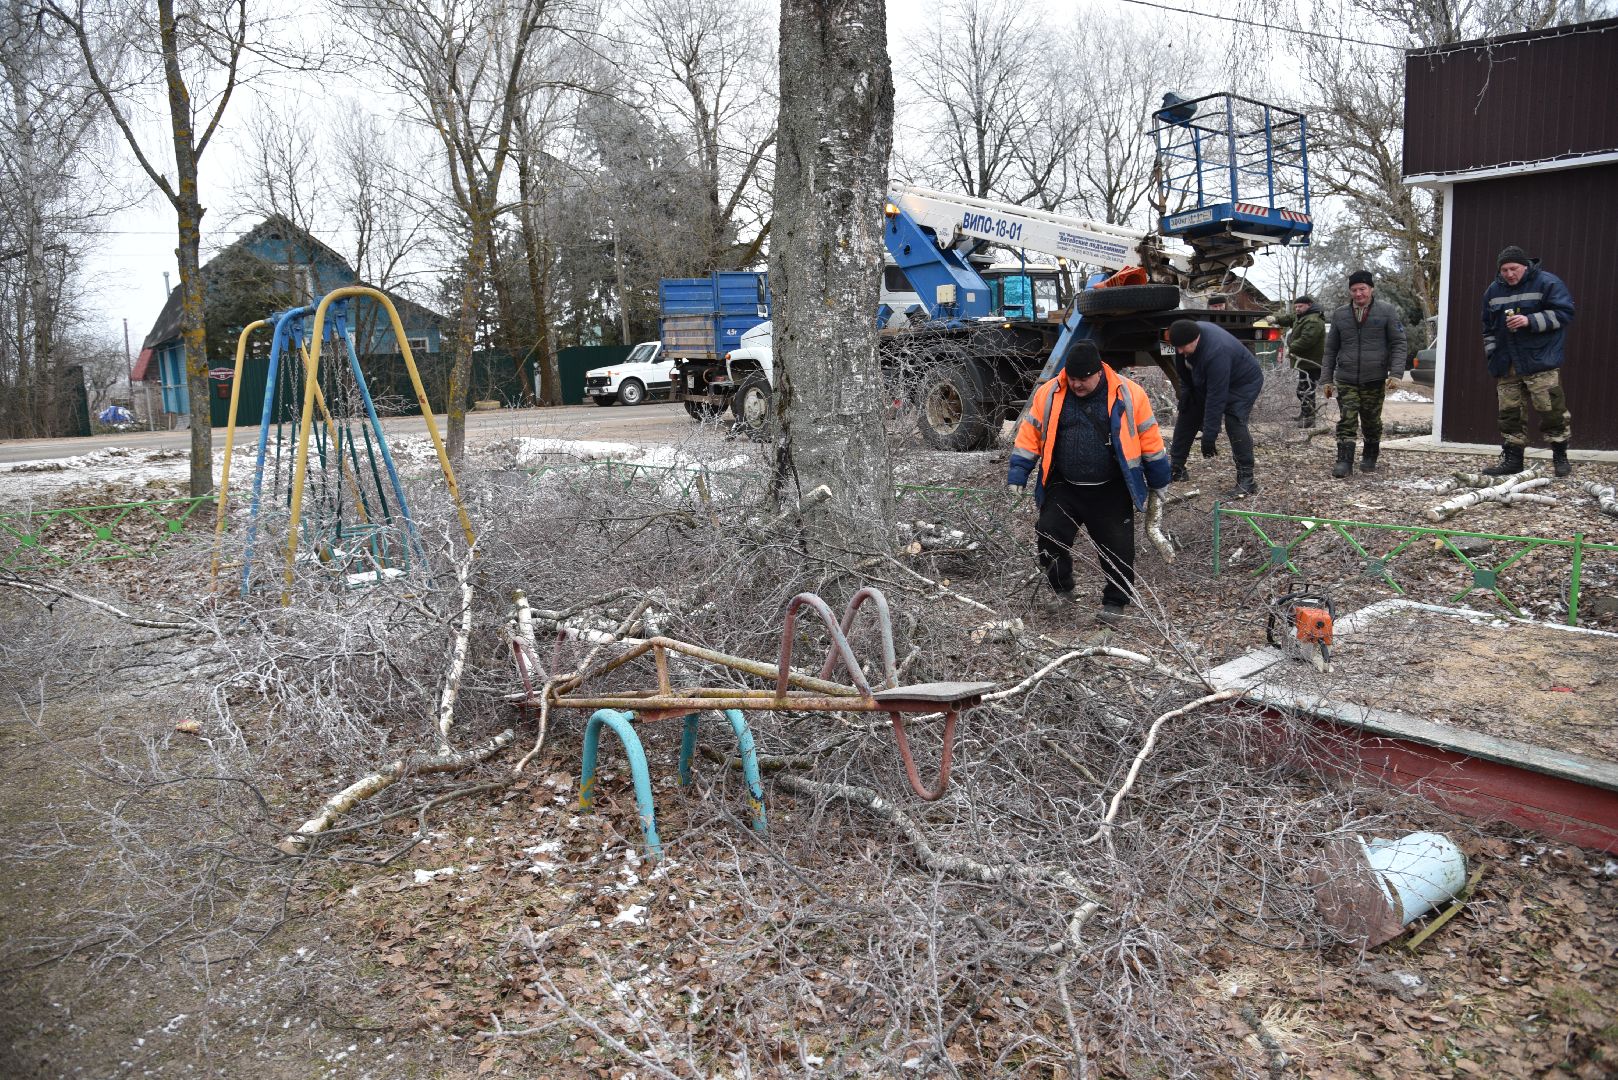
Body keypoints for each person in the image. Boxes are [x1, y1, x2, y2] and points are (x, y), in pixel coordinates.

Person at [1007, 339, 1171, 626]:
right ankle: (1063, 589)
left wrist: (1158, 480)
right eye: (1072, 378)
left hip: (1111, 486)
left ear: (1099, 372)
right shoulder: (1049, 393)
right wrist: (1019, 470)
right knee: (1048, 533)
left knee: (1117, 548)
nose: (1077, 385)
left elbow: (1149, 438)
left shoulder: (1129, 394)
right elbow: (1030, 433)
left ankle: (1114, 602)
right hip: (1065, 484)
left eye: (1083, 379)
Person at [1481, 245, 1576, 477]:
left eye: (1513, 268)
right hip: (1506, 362)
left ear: (1525, 266)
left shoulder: (1548, 283)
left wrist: (1530, 320)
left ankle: (1560, 458)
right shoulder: (1493, 291)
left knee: (1552, 410)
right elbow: (1487, 328)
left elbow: (1565, 313)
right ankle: (1513, 460)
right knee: (1510, 413)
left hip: (1540, 359)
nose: (1509, 274)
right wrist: (1492, 355)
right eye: (1504, 270)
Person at [1321, 270, 1406, 478]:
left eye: (1362, 289)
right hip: (1347, 377)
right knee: (1347, 419)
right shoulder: (1341, 314)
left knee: (1371, 420)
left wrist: (1396, 373)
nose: (1358, 294)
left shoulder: (1387, 311)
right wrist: (1326, 379)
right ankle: (1344, 461)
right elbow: (1330, 349)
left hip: (1374, 377)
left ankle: (1370, 455)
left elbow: (1399, 343)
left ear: (1371, 289)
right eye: (1354, 290)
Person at [1166, 318, 1264, 496]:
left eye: (1183, 347)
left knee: (1235, 421)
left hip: (1243, 382)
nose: (1179, 351)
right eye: (1177, 347)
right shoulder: (1183, 340)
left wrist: (1209, 435)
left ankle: (1247, 480)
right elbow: (1184, 376)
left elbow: (1216, 397)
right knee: (1188, 411)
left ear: (1196, 340)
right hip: (1214, 378)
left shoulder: (1216, 353)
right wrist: (1187, 398)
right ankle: (1177, 468)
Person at [1274, 295, 1326, 427]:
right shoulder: (1302, 316)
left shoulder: (1313, 320)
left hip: (1311, 361)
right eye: (1296, 307)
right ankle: (1305, 415)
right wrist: (1275, 319)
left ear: (1309, 305)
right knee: (1303, 389)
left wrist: (1291, 348)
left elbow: (1307, 340)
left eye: (1300, 306)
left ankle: (1309, 419)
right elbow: (1289, 319)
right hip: (1304, 360)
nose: (1297, 309)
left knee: (1306, 389)